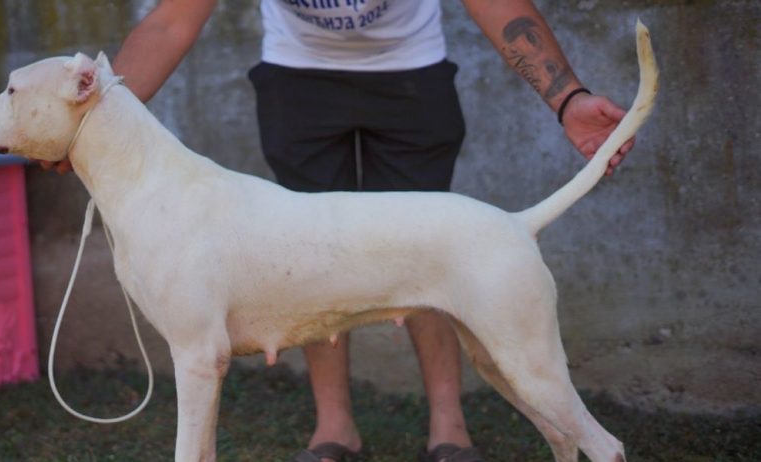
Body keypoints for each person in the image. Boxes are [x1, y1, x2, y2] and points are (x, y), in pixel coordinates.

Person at [44, 1, 634, 461]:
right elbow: (173, 20)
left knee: (435, 248)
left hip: (410, 71)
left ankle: (448, 430)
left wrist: (567, 98)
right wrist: (94, 118)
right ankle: (335, 428)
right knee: (305, 261)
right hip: (297, 81)